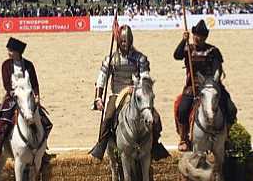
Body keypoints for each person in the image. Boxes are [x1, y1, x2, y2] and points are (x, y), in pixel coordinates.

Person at [90, 25, 170, 161]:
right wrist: (98, 98)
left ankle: (155, 144)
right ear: (118, 41)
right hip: (117, 95)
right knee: (108, 117)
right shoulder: (111, 59)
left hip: (136, 94)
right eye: (122, 41)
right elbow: (101, 79)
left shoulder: (140, 58)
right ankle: (101, 144)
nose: (125, 44)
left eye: (127, 41)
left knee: (155, 118)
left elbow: (145, 77)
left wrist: (139, 87)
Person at [173, 20, 237, 152]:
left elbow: (217, 69)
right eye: (196, 35)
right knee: (182, 109)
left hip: (212, 85)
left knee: (231, 108)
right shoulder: (188, 48)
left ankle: (227, 137)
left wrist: (213, 84)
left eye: (201, 36)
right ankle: (184, 138)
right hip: (193, 86)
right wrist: (183, 40)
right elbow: (176, 55)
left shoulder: (213, 51)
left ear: (205, 37)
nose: (198, 38)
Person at [0, 37, 53, 163]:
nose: (9, 53)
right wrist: (14, 93)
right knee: (5, 120)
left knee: (46, 122)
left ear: (18, 52)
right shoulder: (6, 65)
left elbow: (34, 82)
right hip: (13, 96)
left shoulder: (29, 65)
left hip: (28, 96)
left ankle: (42, 148)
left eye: (11, 51)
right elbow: (6, 84)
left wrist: (36, 96)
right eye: (9, 50)